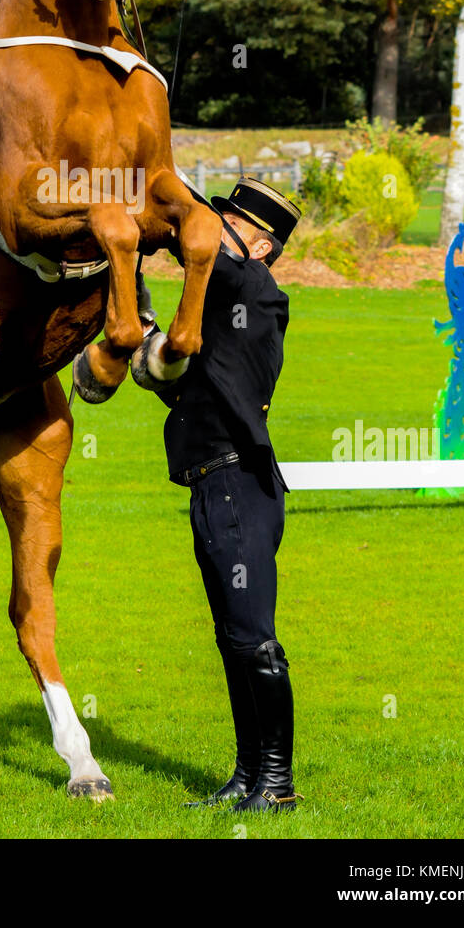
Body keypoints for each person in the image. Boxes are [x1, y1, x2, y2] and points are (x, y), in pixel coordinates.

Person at [144, 175, 302, 814]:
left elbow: (207, 249)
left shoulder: (254, 292)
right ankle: (246, 775)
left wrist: (156, 169)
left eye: (227, 223)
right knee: (231, 639)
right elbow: (184, 376)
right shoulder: (212, 304)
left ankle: (278, 784)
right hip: (214, 486)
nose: (208, 232)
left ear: (259, 248)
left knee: (254, 639)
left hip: (240, 486)